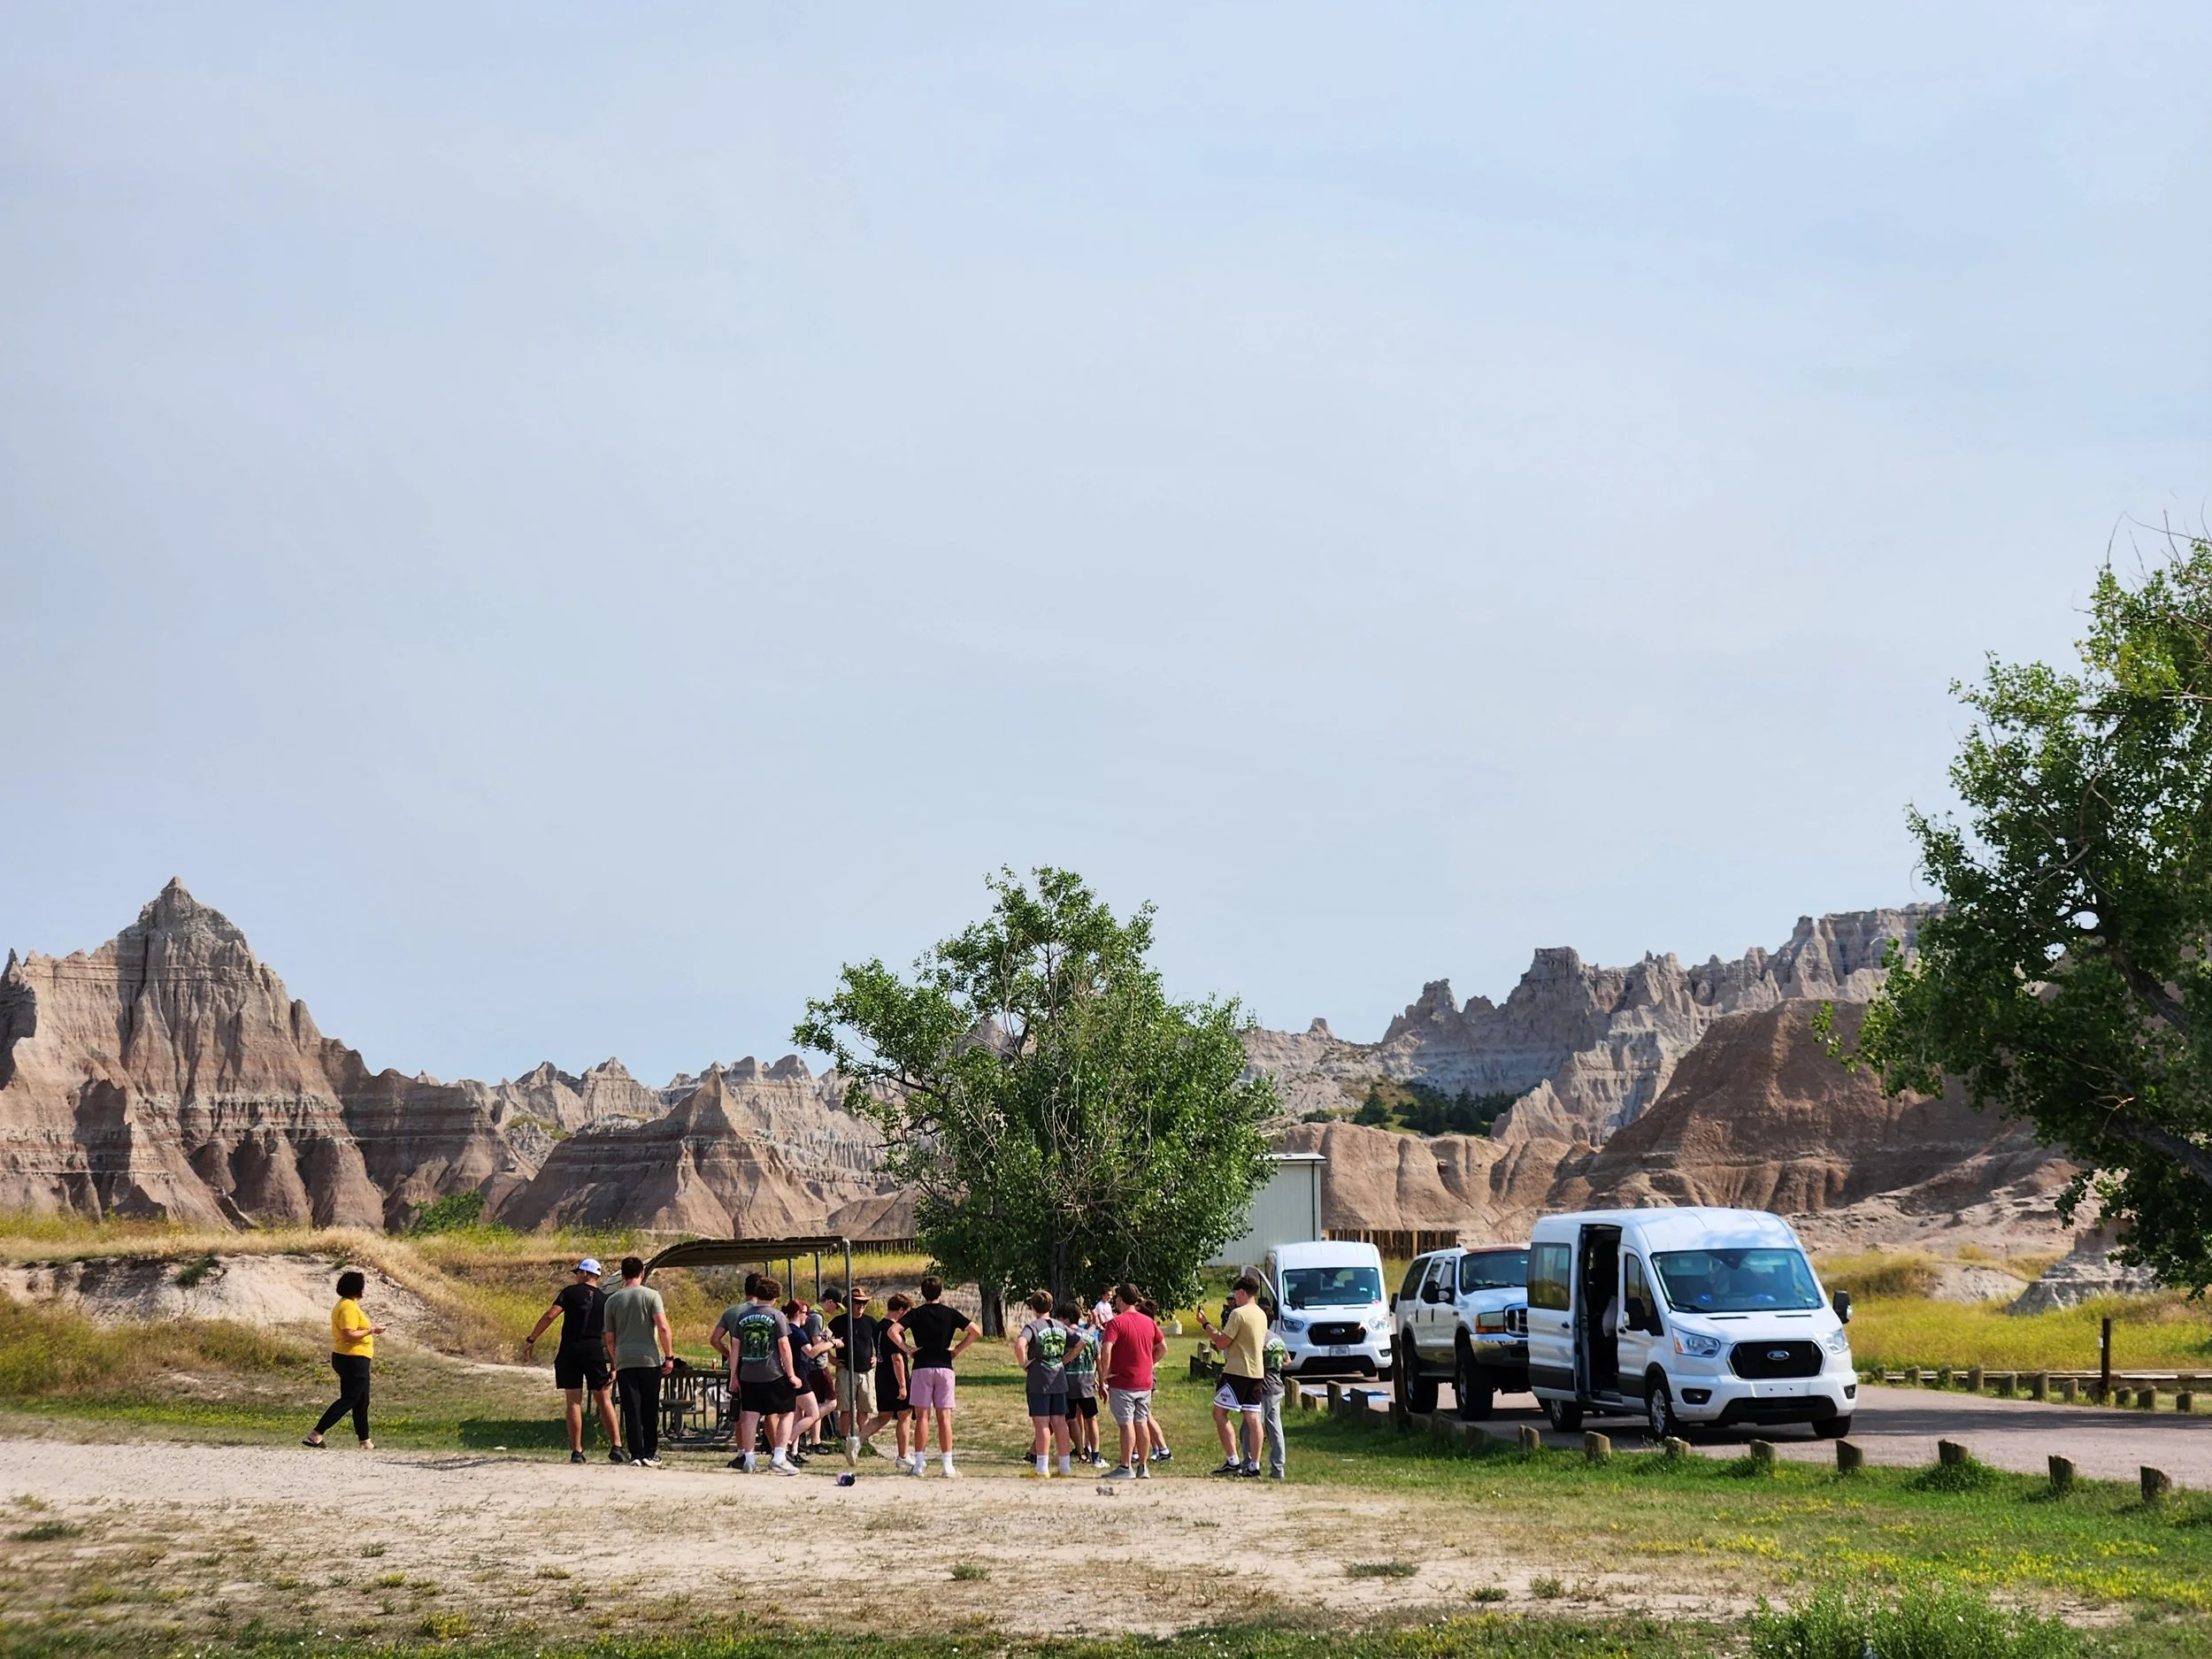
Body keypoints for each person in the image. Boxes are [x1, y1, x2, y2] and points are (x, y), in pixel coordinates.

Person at [523, 1257, 624, 1464]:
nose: (577, 1276)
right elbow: (609, 1336)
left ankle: (577, 1451)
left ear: (585, 1273)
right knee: (604, 1399)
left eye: (578, 1272)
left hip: (570, 1349)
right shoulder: (605, 1300)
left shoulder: (569, 1292)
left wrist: (532, 1338)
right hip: (593, 1350)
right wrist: (614, 1364)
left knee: (573, 1401)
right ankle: (616, 1446)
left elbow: (550, 1316)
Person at [602, 1256, 673, 1469]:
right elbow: (662, 1327)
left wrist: (616, 1358)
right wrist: (669, 1356)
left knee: (631, 1407)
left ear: (622, 1275)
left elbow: (609, 1338)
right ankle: (651, 1452)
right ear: (642, 1273)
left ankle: (635, 1453)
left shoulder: (612, 1300)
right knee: (650, 1407)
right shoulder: (652, 1296)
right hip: (649, 1358)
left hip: (625, 1359)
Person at [901, 1275, 977, 1477]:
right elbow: (975, 1331)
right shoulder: (949, 1313)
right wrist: (958, 1349)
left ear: (922, 1292)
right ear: (940, 1292)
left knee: (922, 1417)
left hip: (922, 1366)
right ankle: (947, 1465)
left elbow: (893, 1330)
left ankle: (919, 1463)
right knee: (944, 1417)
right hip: (944, 1366)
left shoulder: (916, 1314)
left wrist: (907, 1348)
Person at [303, 1270, 387, 1449]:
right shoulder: (348, 1307)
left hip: (354, 1358)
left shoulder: (346, 1305)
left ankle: (365, 1440)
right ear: (358, 1289)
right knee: (350, 1398)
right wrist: (372, 1330)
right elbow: (349, 1334)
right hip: (353, 1358)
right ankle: (316, 1433)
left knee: (362, 1400)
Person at [729, 1276, 803, 1474]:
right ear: (775, 1297)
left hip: (748, 1373)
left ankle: (749, 1458)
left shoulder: (742, 1317)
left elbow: (735, 1347)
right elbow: (784, 1346)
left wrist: (733, 1376)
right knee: (787, 1411)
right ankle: (779, 1455)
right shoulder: (776, 1316)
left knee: (750, 1416)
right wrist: (792, 1374)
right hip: (772, 1372)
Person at [1197, 1275, 1268, 1478]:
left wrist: (1206, 1325)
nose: (1234, 1298)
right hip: (1257, 1372)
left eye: (1236, 1294)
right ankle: (1254, 1464)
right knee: (1253, 1417)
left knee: (1219, 1413)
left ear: (1243, 1293)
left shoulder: (1238, 1314)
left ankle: (1233, 1460)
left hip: (1237, 1371)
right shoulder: (1261, 1314)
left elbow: (1221, 1343)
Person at [1096, 1283, 1165, 1481]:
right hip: (1144, 1382)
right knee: (1141, 1421)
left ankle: (1126, 1465)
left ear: (1121, 1300)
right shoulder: (1148, 1322)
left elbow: (1107, 1348)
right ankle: (1143, 1466)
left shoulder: (1116, 1323)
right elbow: (1162, 1347)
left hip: (1123, 1381)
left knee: (1126, 1424)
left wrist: (1104, 1376)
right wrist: (1149, 1362)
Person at [826, 1286, 894, 1456]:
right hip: (846, 1370)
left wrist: (877, 1356)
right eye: (858, 1303)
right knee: (846, 1409)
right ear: (850, 1304)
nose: (861, 1306)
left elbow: (880, 1341)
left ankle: (863, 1440)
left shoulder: (871, 1322)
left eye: (863, 1303)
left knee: (864, 1409)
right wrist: (830, 1358)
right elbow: (823, 1338)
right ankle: (843, 1439)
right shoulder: (838, 1322)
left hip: (866, 1372)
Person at [1014, 1290, 1073, 1478]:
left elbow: (1019, 1344)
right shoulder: (1060, 1326)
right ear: (1051, 1306)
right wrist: (1065, 1359)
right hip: (1059, 1377)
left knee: (1041, 1423)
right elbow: (1079, 1342)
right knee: (1060, 1422)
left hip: (1039, 1378)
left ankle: (1042, 1467)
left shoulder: (1032, 1327)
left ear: (1033, 1307)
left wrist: (1024, 1363)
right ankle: (1065, 1466)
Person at [874, 1292, 915, 1465]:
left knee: (883, 1416)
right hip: (895, 1377)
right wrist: (903, 1385)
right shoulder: (894, 1330)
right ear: (900, 1311)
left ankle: (857, 1440)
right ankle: (903, 1455)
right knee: (905, 1414)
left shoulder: (878, 1327)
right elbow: (897, 1359)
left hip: (880, 1375)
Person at [1060, 1302, 1101, 1465]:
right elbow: (1098, 1359)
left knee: (1070, 1419)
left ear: (1067, 1319)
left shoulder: (1066, 1336)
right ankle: (1095, 1453)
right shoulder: (1090, 1337)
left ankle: (1081, 1451)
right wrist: (1101, 1380)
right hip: (1087, 1382)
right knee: (1092, 1419)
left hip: (1069, 1382)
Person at [1138, 1297, 1175, 1465]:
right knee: (1143, 1416)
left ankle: (1163, 1449)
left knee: (1145, 1416)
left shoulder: (1148, 1328)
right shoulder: (1150, 1327)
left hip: (1146, 1376)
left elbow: (1162, 1348)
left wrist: (1149, 1363)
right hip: (1146, 1375)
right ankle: (1156, 1449)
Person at [1261, 1322, 1290, 1480]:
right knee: (1275, 1429)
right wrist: (1276, 1366)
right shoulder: (1277, 1338)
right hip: (1277, 1386)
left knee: (1250, 1428)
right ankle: (1278, 1468)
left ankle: (1249, 1465)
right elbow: (1288, 1361)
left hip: (1264, 1388)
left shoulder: (1261, 1339)